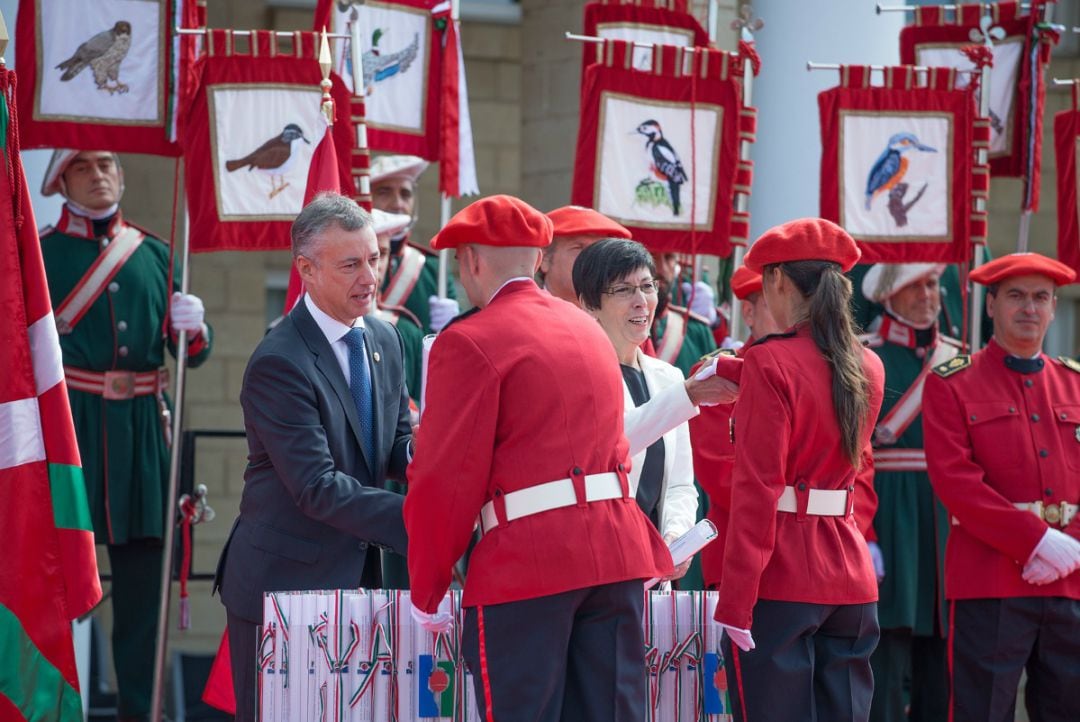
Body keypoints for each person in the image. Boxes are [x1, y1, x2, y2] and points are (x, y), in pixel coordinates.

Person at [404, 195, 672, 722]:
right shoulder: (589, 332)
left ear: (473, 260)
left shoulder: (471, 340)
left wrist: (427, 583)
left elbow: (446, 480)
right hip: (615, 555)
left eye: (460, 262)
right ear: (536, 258)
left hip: (528, 565)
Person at [214, 193, 413, 722]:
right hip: (284, 588)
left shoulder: (385, 338)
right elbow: (316, 485)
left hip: (362, 585)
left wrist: (447, 469)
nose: (370, 275)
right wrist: (427, 522)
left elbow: (395, 446)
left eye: (374, 257)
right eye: (351, 264)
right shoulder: (280, 361)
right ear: (306, 269)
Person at [39, 149, 213, 722]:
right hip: (72, 432)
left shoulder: (155, 254)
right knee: (55, 583)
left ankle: (143, 711)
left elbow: (189, 355)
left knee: (142, 591)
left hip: (142, 437)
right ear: (61, 180)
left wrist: (196, 328)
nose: (98, 176)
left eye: (107, 165)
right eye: (83, 167)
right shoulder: (39, 253)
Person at [715, 218, 884, 722]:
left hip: (783, 577)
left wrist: (736, 600)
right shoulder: (867, 364)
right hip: (850, 576)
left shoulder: (771, 362)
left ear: (779, 282)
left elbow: (757, 488)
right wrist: (733, 369)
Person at [922, 253, 1080, 722]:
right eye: (1015, 296)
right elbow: (956, 482)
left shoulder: (1075, 384)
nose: (1029, 308)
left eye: (1040, 298)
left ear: (1053, 308)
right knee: (981, 712)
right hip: (989, 582)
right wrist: (1034, 541)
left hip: (1071, 580)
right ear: (990, 306)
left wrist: (1068, 547)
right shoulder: (952, 384)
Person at [860, 263, 959, 722]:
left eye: (933, 283)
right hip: (888, 511)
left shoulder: (958, 360)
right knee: (886, 652)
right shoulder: (864, 357)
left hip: (943, 517)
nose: (927, 294)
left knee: (943, 663)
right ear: (888, 295)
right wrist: (866, 533)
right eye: (914, 285)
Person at [572, 238, 703, 575]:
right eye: (623, 290)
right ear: (589, 304)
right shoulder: (576, 374)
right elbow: (609, 448)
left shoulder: (668, 377)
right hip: (597, 565)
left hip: (654, 568)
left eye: (647, 287)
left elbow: (680, 484)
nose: (641, 302)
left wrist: (676, 535)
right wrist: (686, 396)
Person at [689, 265, 782, 592]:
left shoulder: (815, 371)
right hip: (738, 549)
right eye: (776, 303)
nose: (790, 316)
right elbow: (719, 469)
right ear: (749, 312)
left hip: (805, 553)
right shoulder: (718, 373)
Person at [371, 154, 459, 333]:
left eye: (405, 194)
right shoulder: (348, 259)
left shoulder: (433, 269)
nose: (398, 203)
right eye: (384, 191)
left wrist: (456, 325)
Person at [539, 204, 633, 304]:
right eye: (579, 248)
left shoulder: (619, 316)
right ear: (544, 258)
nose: (592, 258)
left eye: (599, 249)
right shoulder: (525, 314)